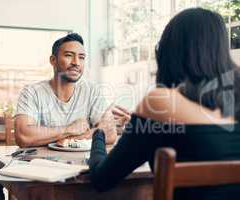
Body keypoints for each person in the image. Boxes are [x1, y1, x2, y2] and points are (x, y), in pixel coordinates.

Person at [89, 8, 240, 200]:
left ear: (170, 51)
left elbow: (102, 179)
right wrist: (141, 125)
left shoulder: (161, 102)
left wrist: (99, 134)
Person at [15, 33, 116, 147]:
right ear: (53, 60)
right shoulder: (32, 92)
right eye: (68, 55)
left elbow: (110, 133)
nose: (76, 62)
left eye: (81, 57)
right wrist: (69, 129)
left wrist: (71, 139)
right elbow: (23, 136)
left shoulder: (92, 91)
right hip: (42, 162)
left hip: (82, 163)